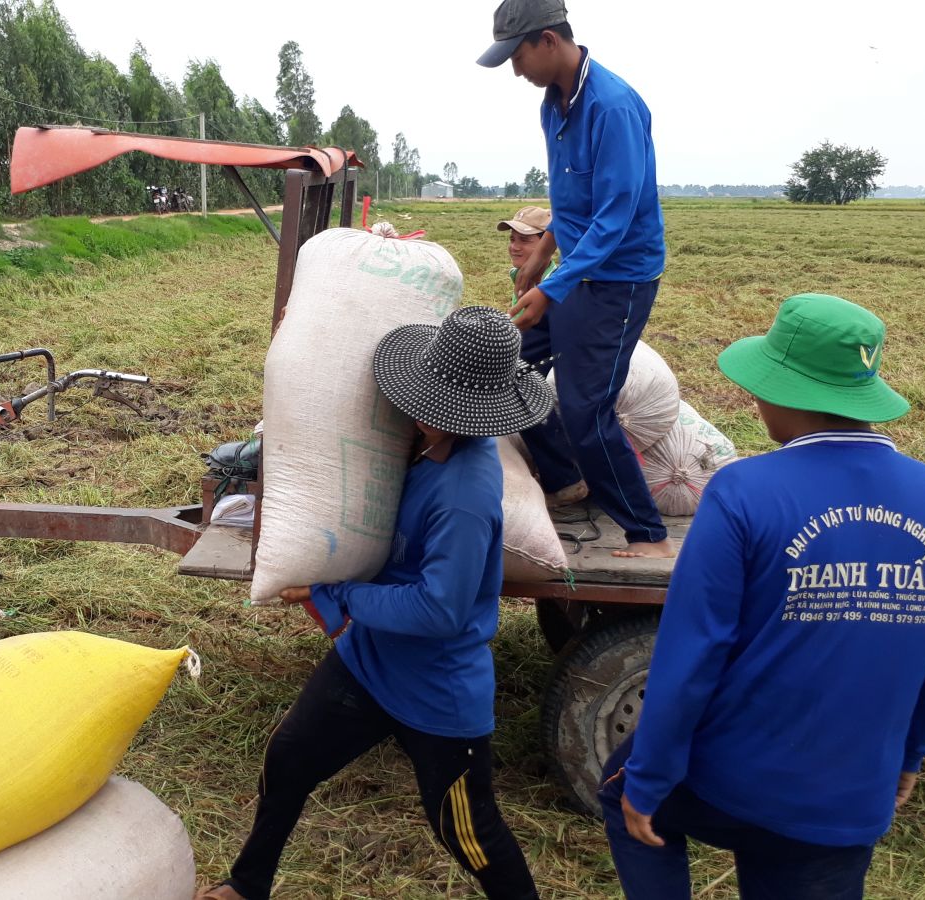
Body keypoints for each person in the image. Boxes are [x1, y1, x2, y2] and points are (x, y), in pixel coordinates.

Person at [600, 293, 925, 899]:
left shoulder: (742, 490)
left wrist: (649, 776)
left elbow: (694, 649)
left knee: (618, 787)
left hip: (732, 779)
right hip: (849, 797)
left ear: (782, 392)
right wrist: (910, 753)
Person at [196, 306, 551, 900]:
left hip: (434, 686)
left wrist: (339, 594)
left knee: (468, 831)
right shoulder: (421, 446)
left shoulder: (463, 495)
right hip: (369, 661)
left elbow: (441, 611)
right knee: (289, 759)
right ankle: (247, 885)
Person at [478, 0, 673, 557]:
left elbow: (614, 216)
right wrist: (541, 255)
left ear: (547, 40)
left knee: (587, 410)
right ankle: (565, 477)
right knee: (504, 360)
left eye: (517, 57)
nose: (516, 71)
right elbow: (568, 200)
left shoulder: (613, 106)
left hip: (619, 280)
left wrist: (551, 288)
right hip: (576, 270)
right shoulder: (552, 105)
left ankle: (648, 533)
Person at [500, 207, 557, 376]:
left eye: (524, 240)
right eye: (512, 239)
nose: (514, 247)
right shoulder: (517, 275)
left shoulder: (555, 291)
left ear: (547, 245)